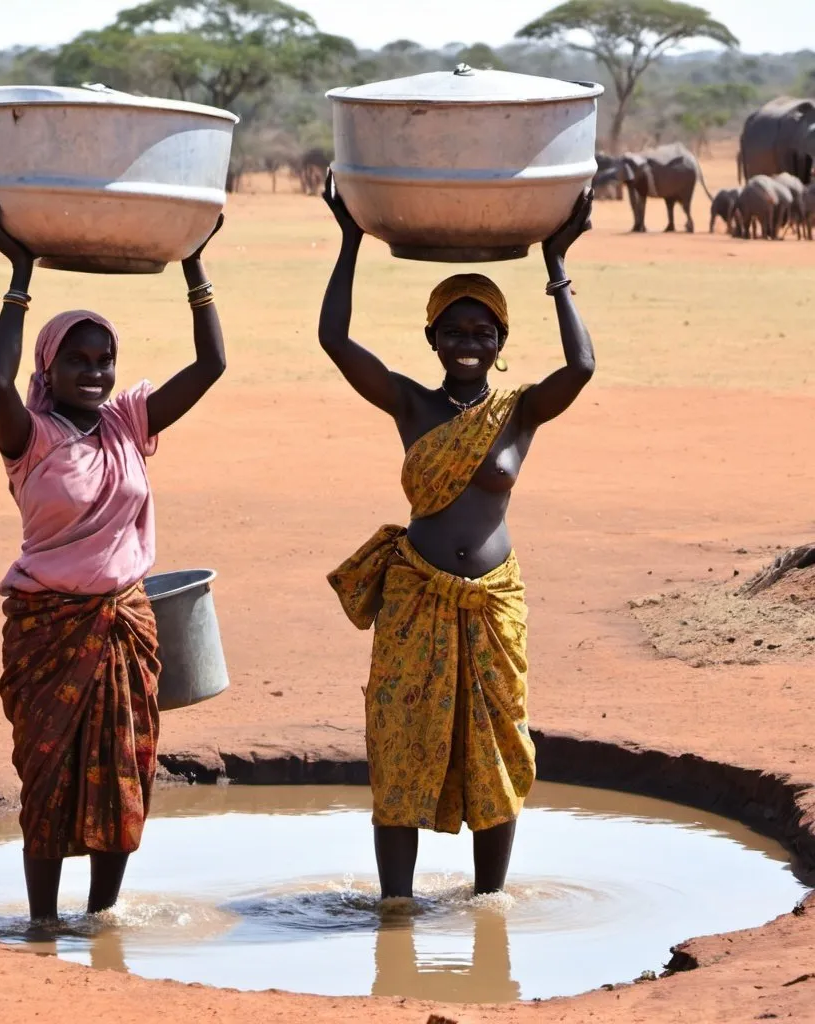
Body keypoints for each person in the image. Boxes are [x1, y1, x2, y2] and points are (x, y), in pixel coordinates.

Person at [319, 172, 594, 900]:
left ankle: (490, 902)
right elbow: (334, 339)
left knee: (497, 745)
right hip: (415, 598)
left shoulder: (523, 410)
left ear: (501, 340)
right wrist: (351, 239)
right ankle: (397, 907)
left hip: (494, 604)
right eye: (454, 331)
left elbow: (585, 366)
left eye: (482, 332)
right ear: (432, 338)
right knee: (399, 743)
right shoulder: (410, 403)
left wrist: (556, 264)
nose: (467, 343)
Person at [0, 192, 226, 925]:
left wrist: (193, 262)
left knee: (126, 773)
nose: (95, 370)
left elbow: (212, 364)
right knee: (46, 775)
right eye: (78, 359)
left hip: (125, 624)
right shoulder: (31, 435)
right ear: (51, 366)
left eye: (104, 358)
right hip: (49, 626)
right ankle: (44, 921)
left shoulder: (127, 422)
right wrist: (20, 276)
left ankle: (103, 917)